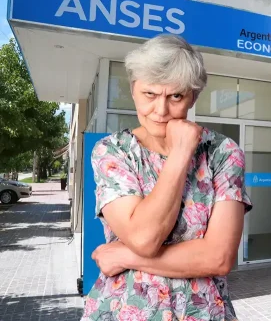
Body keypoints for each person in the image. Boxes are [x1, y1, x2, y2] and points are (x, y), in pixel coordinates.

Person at [81, 34, 252, 321]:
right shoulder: (114, 151)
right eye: (150, 94)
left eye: (175, 96)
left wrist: (125, 256)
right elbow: (144, 237)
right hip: (124, 310)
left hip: (202, 312)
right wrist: (180, 154)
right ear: (133, 89)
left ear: (193, 96)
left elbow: (218, 257)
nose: (160, 111)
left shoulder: (223, 152)